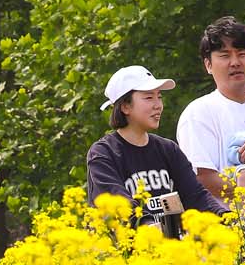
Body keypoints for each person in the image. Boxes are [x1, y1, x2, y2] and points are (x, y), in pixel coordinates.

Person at [86, 64, 228, 237]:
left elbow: (196, 197)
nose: (158, 105)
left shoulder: (168, 150)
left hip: (173, 254)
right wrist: (149, 228)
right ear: (125, 106)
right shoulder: (103, 153)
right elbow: (119, 204)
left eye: (159, 97)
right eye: (148, 98)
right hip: (129, 255)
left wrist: (226, 218)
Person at [177, 16, 245, 200]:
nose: (235, 62)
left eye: (242, 53)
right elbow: (203, 178)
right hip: (227, 223)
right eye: (225, 55)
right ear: (208, 65)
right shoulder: (198, 113)